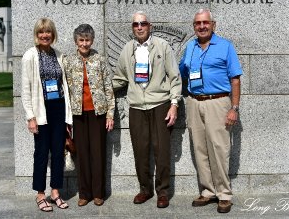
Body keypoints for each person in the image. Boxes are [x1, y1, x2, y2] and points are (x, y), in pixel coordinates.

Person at [112, 11, 182, 208]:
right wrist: (99, 87)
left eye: (143, 23)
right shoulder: (127, 49)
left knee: (162, 151)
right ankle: (145, 190)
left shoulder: (162, 46)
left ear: (150, 25)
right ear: (132, 28)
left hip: (160, 104)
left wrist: (174, 104)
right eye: (135, 24)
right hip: (136, 107)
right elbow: (120, 78)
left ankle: (163, 192)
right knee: (140, 151)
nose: (139, 27)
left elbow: (175, 78)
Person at [179, 8, 243, 214]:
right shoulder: (190, 47)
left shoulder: (225, 46)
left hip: (218, 102)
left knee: (219, 148)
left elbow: (235, 79)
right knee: (200, 148)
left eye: (205, 22)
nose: (202, 26)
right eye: (198, 23)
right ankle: (207, 191)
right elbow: (182, 72)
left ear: (213, 25)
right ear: (194, 26)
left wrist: (234, 108)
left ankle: (224, 194)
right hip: (194, 102)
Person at [21, 17, 72, 212]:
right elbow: (26, 90)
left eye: (48, 32)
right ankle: (40, 194)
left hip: (58, 109)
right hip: (41, 112)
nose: (45, 35)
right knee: (42, 153)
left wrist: (67, 117)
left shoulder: (58, 55)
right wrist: (30, 117)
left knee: (59, 153)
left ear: (53, 34)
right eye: (41, 32)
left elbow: (63, 87)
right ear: (37, 34)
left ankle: (55, 192)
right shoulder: (29, 56)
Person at [63, 24, 115, 207]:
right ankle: (84, 193)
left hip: (97, 113)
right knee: (82, 154)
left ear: (92, 40)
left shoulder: (100, 60)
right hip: (77, 114)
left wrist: (110, 114)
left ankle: (98, 193)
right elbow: (65, 89)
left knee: (98, 153)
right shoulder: (68, 61)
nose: (84, 43)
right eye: (81, 40)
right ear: (76, 41)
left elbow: (108, 88)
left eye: (87, 40)